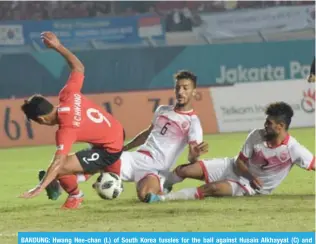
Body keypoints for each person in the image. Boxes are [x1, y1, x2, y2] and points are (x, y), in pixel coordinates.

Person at [19, 32, 125, 209]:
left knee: (58, 170)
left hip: (109, 149)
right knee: (67, 167)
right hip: (115, 131)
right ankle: (76, 180)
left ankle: (76, 196)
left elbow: (58, 162)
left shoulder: (66, 130)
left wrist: (40, 187)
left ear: (41, 119)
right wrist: (58, 46)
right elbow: (79, 68)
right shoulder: (67, 95)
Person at [147, 102, 315, 202]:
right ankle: (165, 185)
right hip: (233, 167)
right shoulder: (257, 135)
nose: (265, 125)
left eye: (269, 123)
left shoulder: (293, 149)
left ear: (281, 126)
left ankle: (162, 198)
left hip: (250, 187)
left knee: (210, 189)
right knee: (184, 170)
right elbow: (240, 161)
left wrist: (251, 180)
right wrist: (251, 176)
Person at [117, 70, 208, 203]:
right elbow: (147, 133)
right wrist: (125, 147)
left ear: (194, 91)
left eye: (185, 88)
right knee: (102, 159)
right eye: (178, 88)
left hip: (155, 168)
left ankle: (162, 186)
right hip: (136, 158)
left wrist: (195, 155)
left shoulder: (193, 122)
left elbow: (191, 157)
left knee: (145, 196)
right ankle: (76, 192)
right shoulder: (162, 110)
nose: (180, 92)